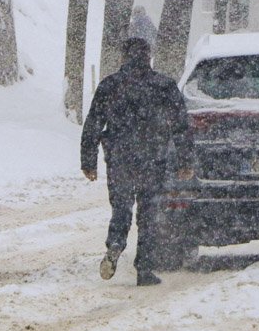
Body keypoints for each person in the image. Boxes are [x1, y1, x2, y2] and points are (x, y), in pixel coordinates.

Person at [81, 37, 193, 287]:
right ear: (148, 57)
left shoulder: (110, 85)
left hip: (119, 157)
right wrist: (185, 160)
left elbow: (93, 124)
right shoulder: (163, 86)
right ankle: (144, 268)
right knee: (149, 213)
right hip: (153, 158)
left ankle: (116, 244)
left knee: (121, 207)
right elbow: (181, 126)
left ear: (123, 57)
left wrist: (88, 161)